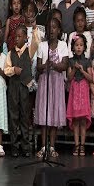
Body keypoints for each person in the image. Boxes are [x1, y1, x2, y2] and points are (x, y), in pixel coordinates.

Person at [35, 17, 68, 158]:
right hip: (45, 82)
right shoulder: (42, 46)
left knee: (54, 114)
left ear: (59, 30)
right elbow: (38, 66)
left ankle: (52, 146)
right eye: (49, 27)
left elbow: (65, 65)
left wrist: (54, 65)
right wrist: (45, 65)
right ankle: (43, 146)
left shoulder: (63, 45)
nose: (52, 30)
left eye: (54, 27)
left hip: (57, 82)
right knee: (44, 113)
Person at [5, 24, 39, 157]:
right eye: (15, 37)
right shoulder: (10, 53)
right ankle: (14, 146)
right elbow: (6, 69)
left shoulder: (29, 51)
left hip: (24, 87)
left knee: (25, 116)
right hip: (13, 87)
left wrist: (35, 30)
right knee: (14, 116)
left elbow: (36, 42)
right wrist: (14, 69)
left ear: (25, 38)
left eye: (20, 36)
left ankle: (26, 146)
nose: (17, 39)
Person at [67, 33, 93, 156]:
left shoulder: (87, 61)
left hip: (83, 90)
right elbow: (68, 77)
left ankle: (82, 145)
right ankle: (76, 145)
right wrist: (74, 69)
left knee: (83, 120)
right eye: (76, 45)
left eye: (81, 45)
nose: (78, 47)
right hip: (74, 90)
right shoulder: (70, 61)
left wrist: (82, 70)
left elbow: (91, 78)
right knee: (76, 120)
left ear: (84, 47)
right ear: (73, 47)